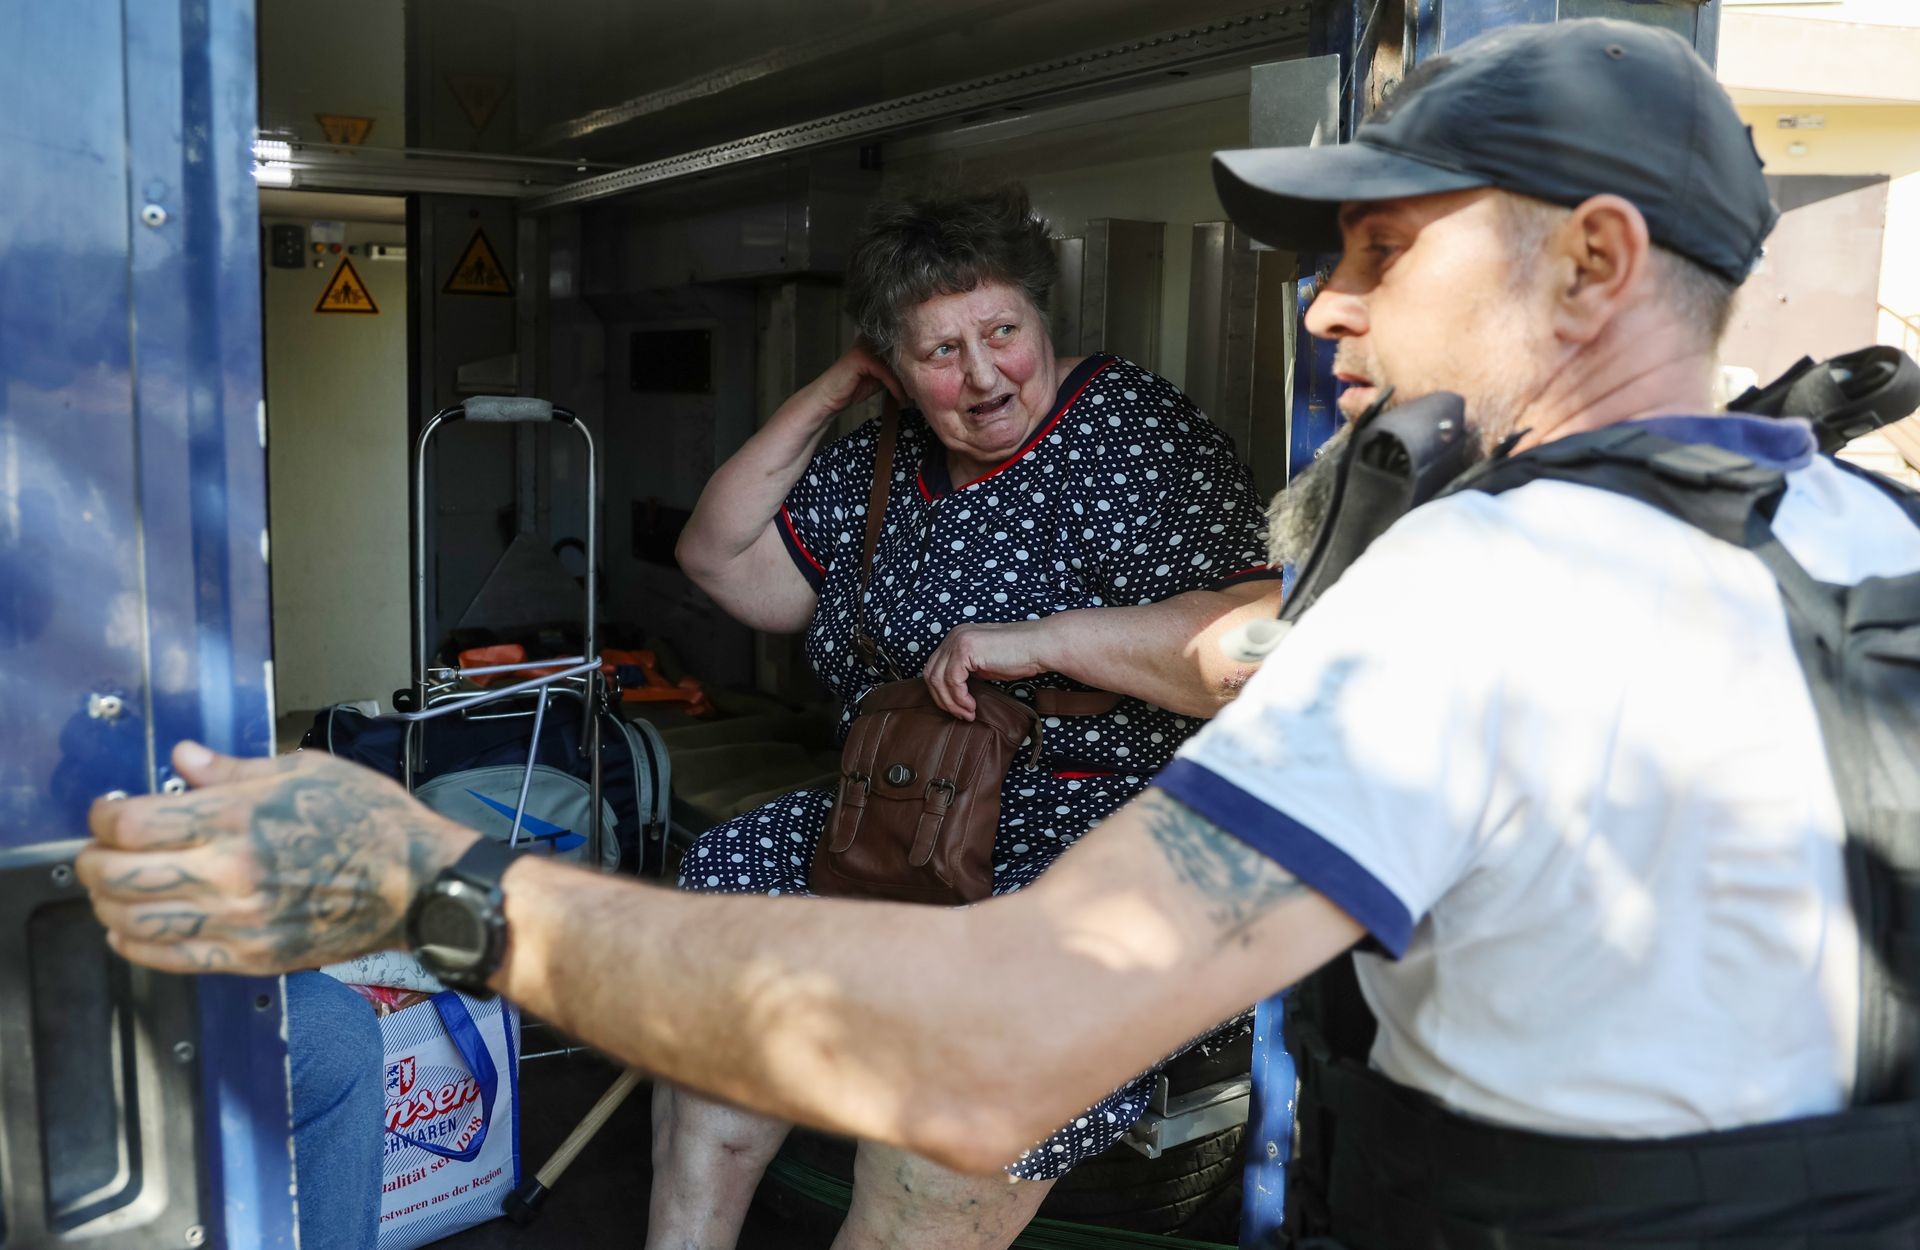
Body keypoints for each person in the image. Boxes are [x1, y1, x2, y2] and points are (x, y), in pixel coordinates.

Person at [75, 18, 1920, 1248]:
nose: (1328, 312)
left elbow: (998, 1045)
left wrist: (431, 887)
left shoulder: (1486, 587)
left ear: (1594, 264)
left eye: (1386, 250)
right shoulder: (1866, 542)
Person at [660, 184, 1279, 1248]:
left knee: (969, 1068)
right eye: (939, 351)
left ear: (1044, 320)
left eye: (1003, 330)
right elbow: (719, 560)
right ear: (895, 367)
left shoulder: (1130, 431)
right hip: (902, 815)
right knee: (724, 911)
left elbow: (1249, 649)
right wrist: (833, 391)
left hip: (1100, 830)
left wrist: (1039, 637)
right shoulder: (885, 457)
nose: (985, 374)